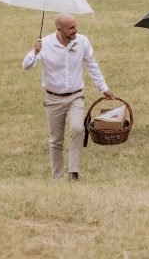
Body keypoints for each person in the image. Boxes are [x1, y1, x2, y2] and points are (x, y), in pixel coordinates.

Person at [22, 12, 116, 181]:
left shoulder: (82, 41)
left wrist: (104, 88)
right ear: (60, 29)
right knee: (56, 141)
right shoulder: (45, 44)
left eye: (75, 26)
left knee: (78, 129)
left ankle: (74, 173)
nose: (75, 30)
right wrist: (35, 52)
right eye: (71, 28)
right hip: (52, 99)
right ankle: (57, 178)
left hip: (75, 96)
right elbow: (26, 66)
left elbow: (92, 65)